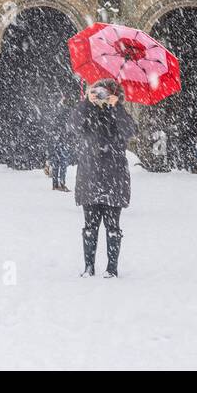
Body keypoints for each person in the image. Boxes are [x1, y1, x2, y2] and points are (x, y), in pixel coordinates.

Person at [68, 78, 137, 277]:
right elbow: (72, 126)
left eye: (105, 93)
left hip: (114, 176)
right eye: (98, 92)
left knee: (112, 225)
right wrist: (86, 103)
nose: (101, 96)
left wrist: (117, 108)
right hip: (90, 175)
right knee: (89, 225)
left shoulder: (119, 112)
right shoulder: (87, 111)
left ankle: (112, 268)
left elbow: (130, 130)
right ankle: (89, 266)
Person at [49, 87, 77, 192]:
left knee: (56, 162)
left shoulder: (57, 110)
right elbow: (70, 127)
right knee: (63, 162)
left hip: (57, 139)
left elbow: (54, 126)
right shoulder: (69, 112)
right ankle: (61, 183)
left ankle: (55, 184)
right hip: (64, 140)